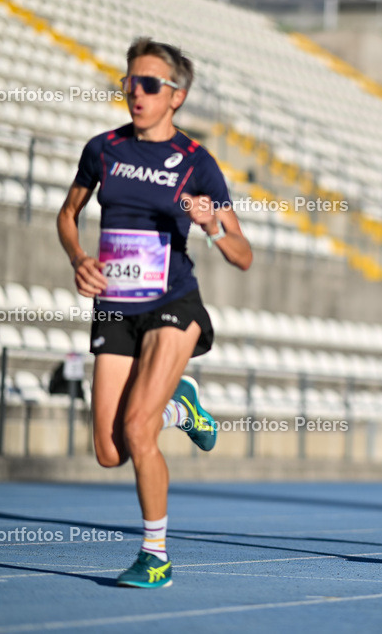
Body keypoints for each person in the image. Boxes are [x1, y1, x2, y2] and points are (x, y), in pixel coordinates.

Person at [57, 37, 252, 587]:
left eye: (148, 84)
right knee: (109, 450)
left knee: (138, 428)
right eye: (129, 81)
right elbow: (68, 214)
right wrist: (78, 258)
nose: (134, 92)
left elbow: (243, 255)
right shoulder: (103, 150)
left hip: (173, 303)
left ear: (176, 97)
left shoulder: (197, 164)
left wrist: (212, 224)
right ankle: (182, 408)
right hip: (115, 308)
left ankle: (156, 555)